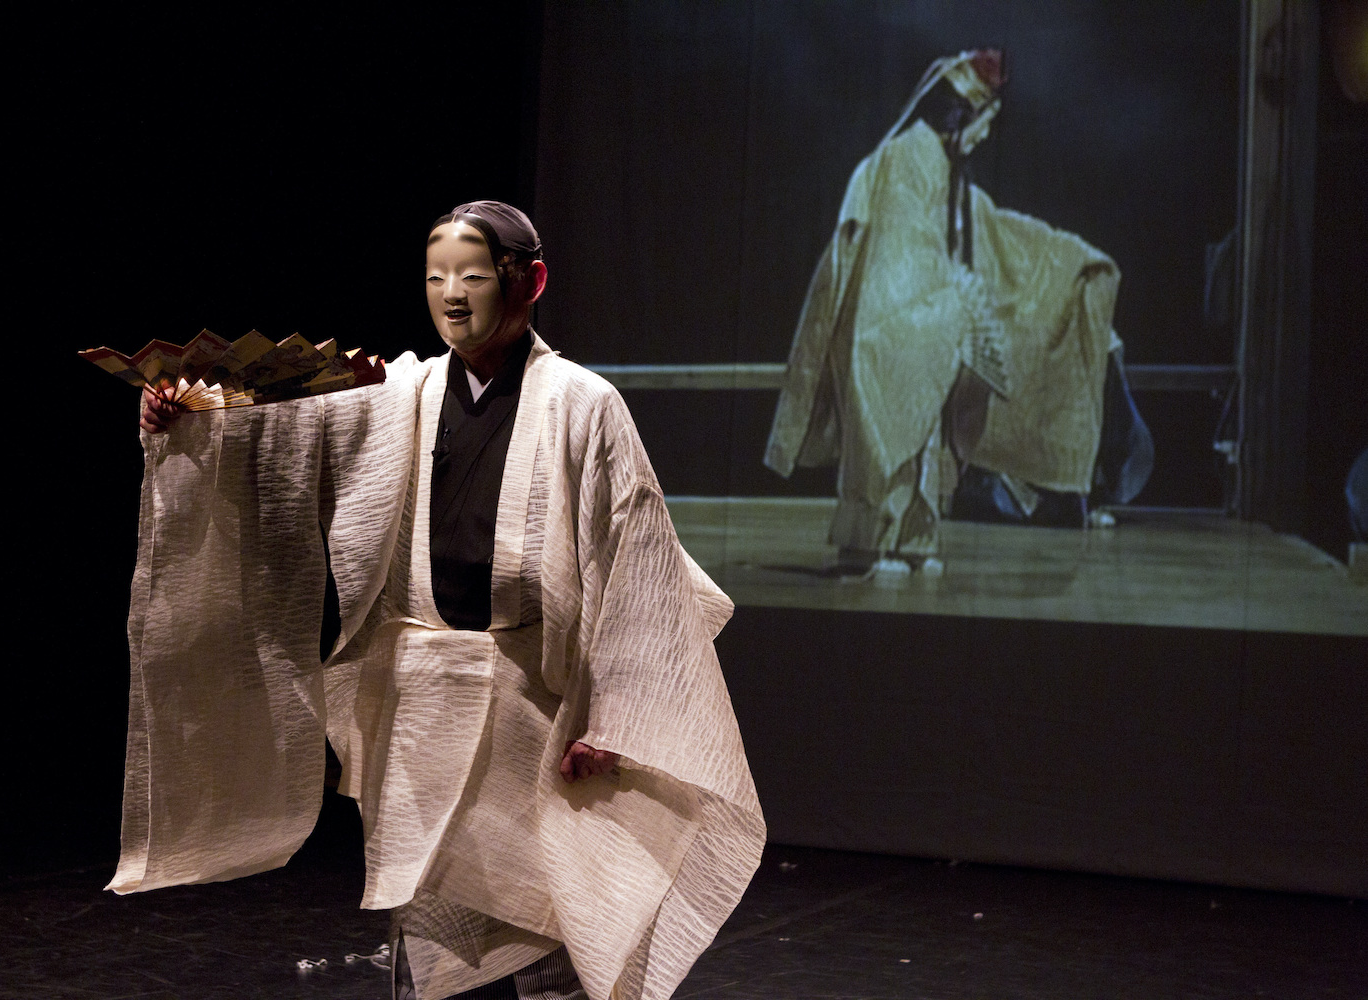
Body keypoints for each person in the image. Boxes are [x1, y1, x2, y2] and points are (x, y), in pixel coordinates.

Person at [120, 201, 765, 1000]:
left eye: (472, 275)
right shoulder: (403, 393)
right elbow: (282, 432)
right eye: (435, 278)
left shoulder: (583, 403)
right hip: (426, 701)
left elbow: (634, 564)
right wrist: (190, 418)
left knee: (549, 936)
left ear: (530, 280)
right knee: (431, 947)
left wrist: (614, 717)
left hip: (536, 703)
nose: (451, 294)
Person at [764, 50, 1151, 579]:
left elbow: (993, 230)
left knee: (926, 443)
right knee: (888, 435)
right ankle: (870, 546)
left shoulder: (948, 172)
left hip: (927, 322)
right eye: (983, 122)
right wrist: (947, 302)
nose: (984, 136)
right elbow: (902, 254)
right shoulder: (905, 160)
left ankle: (914, 543)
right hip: (890, 323)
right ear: (962, 115)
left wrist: (1069, 259)